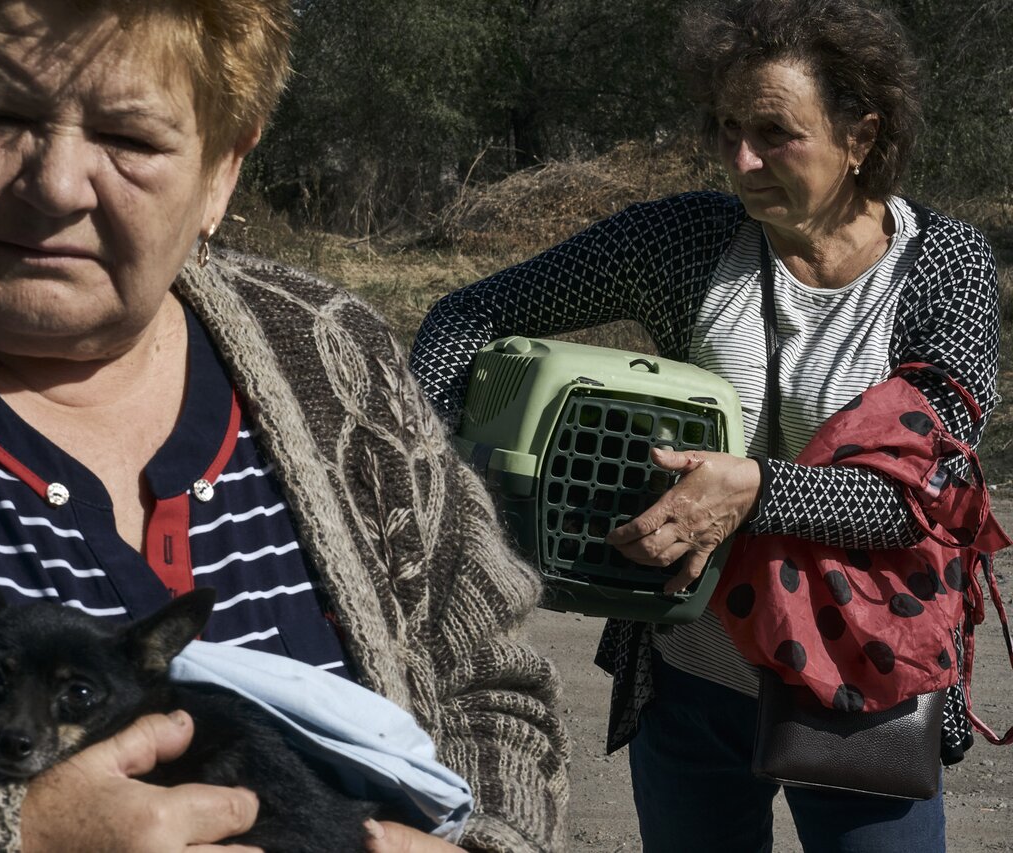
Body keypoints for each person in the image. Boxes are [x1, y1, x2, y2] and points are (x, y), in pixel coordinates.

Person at [0, 0, 569, 849]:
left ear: (221, 171)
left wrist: (475, 845)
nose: (55, 185)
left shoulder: (333, 358)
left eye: (129, 139)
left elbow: (491, 689)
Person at [409, 0, 999, 850]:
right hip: (688, 685)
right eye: (726, 128)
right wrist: (423, 479)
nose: (743, 159)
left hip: (861, 691)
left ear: (861, 136)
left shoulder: (947, 268)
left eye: (775, 132)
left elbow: (926, 493)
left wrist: (751, 491)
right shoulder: (688, 241)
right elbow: (467, 316)